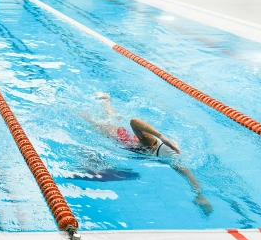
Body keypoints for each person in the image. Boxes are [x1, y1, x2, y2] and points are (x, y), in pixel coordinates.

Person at [84, 92, 213, 215]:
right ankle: (104, 101)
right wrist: (162, 137)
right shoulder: (149, 143)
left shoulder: (169, 158)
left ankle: (106, 101)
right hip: (123, 137)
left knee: (110, 118)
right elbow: (134, 121)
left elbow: (188, 175)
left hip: (127, 139)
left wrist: (199, 195)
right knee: (95, 121)